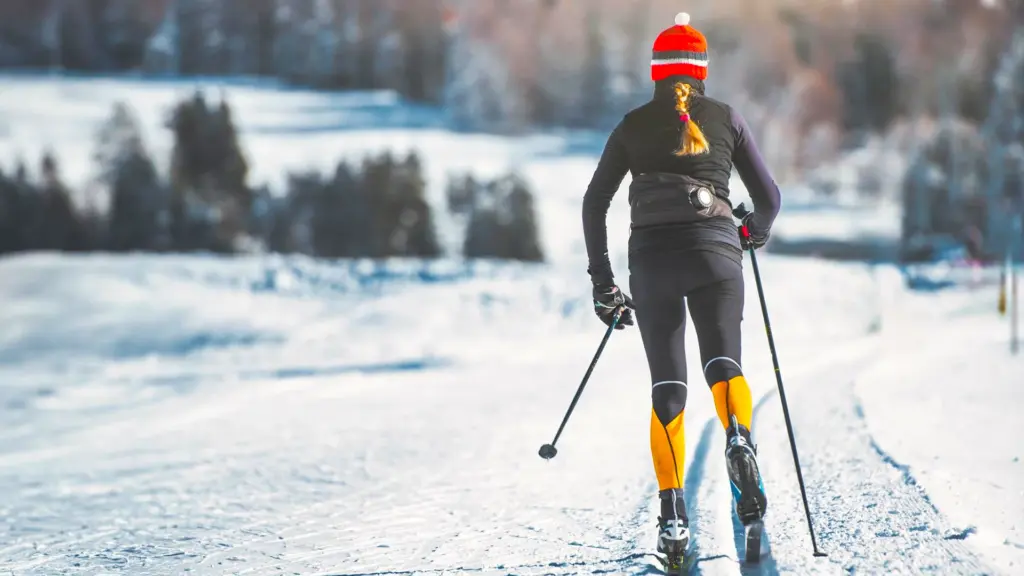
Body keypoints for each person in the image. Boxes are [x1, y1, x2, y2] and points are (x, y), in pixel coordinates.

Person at [581, 12, 782, 559]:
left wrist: (604, 282)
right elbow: (769, 198)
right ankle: (738, 435)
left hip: (652, 263)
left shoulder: (630, 125)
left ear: (657, 74)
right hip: (717, 254)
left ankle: (672, 514)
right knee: (725, 363)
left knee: (667, 387)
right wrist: (751, 233)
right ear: (701, 73)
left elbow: (594, 201)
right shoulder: (728, 119)